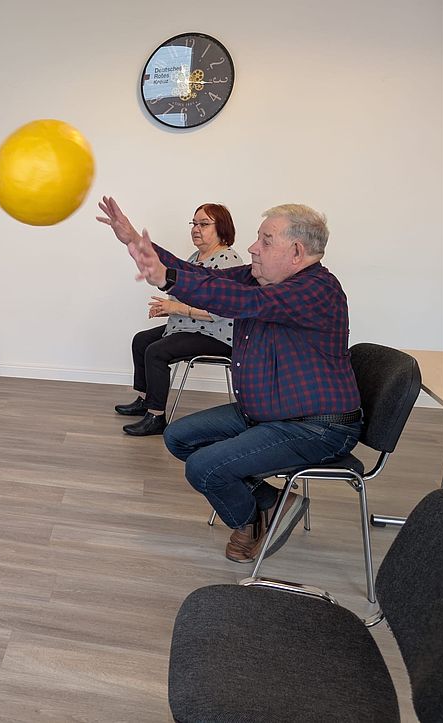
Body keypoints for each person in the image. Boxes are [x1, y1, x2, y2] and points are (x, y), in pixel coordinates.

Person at [98, 198, 361, 563]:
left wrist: (166, 280)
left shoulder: (315, 289)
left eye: (266, 240)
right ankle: (271, 504)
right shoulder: (265, 278)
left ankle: (249, 519)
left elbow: (235, 299)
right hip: (270, 413)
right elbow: (209, 278)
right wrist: (137, 243)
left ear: (297, 251)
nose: (253, 248)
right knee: (177, 437)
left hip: (316, 426)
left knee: (204, 467)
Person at [116, 203, 242, 437]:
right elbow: (185, 292)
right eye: (194, 223)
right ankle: (145, 400)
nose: (196, 228)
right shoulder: (196, 257)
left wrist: (177, 308)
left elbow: (220, 311)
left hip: (217, 335)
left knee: (156, 351)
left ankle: (156, 416)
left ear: (221, 228)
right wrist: (168, 309)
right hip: (190, 327)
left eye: (203, 224)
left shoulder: (229, 261)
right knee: (141, 341)